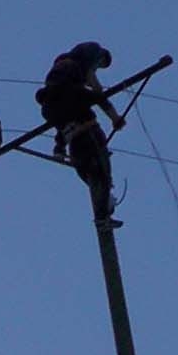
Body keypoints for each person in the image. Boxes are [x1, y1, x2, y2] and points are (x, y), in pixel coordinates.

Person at [36, 41, 128, 227]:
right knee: (100, 167)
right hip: (83, 127)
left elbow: (61, 126)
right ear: (102, 60)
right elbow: (96, 90)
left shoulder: (61, 72)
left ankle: (102, 204)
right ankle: (103, 212)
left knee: (85, 166)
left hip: (62, 123)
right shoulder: (89, 56)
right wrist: (115, 117)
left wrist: (60, 146)